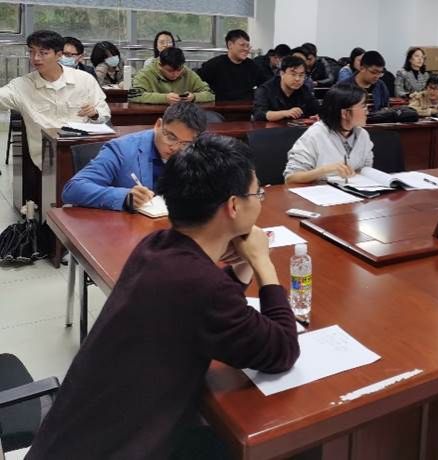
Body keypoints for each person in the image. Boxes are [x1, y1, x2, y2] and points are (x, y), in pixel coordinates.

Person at [28, 134, 300, 460]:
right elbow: (282, 349)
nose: (260, 201)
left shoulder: (157, 246)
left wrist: (241, 266)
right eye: (257, 193)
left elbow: (207, 303)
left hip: (75, 439)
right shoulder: (201, 286)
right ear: (233, 206)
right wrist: (262, 263)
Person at [62, 102, 206, 211]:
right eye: (171, 137)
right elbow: (73, 189)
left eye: (185, 143)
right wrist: (125, 197)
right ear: (158, 125)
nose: (175, 148)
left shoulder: (198, 152)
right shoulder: (121, 149)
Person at [0, 30, 110, 173]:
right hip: (47, 160)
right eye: (32, 52)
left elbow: (104, 114)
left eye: (43, 53)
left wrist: (94, 114)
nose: (36, 58)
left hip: (83, 155)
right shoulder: (21, 85)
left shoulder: (84, 80)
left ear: (59, 55)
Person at [283, 83, 373, 184]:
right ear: (345, 113)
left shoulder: (363, 135)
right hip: (319, 191)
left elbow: (365, 170)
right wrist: (324, 170)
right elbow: (290, 179)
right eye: (363, 107)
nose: (367, 112)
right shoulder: (315, 134)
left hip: (352, 190)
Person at [196, 29, 266, 101]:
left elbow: (265, 85)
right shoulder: (214, 65)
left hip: (247, 107)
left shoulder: (252, 66)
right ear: (230, 45)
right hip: (219, 106)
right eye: (242, 45)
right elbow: (196, 84)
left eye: (247, 46)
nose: (246, 49)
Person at [129, 47, 215, 104]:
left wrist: (194, 97)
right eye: (170, 71)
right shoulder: (146, 73)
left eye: (179, 70)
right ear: (160, 66)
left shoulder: (187, 72)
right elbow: (133, 96)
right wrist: (164, 98)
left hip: (182, 116)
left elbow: (210, 94)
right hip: (152, 116)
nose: (175, 74)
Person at [252, 56, 320, 121]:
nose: (297, 79)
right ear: (282, 74)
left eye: (301, 75)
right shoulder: (265, 89)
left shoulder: (303, 89)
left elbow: (316, 109)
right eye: (293, 74)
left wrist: (317, 115)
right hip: (271, 128)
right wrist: (284, 113)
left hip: (296, 127)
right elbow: (259, 114)